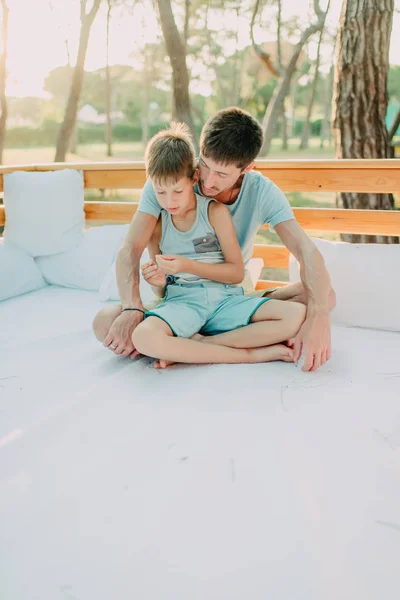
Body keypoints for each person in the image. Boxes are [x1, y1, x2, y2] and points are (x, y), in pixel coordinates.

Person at [93, 107, 335, 372]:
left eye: (221, 174)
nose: (206, 181)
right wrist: (131, 309)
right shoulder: (173, 183)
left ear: (247, 168)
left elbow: (305, 250)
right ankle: (194, 343)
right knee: (105, 322)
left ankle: (195, 346)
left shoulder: (261, 192)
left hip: (228, 292)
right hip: (180, 297)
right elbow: (131, 248)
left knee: (323, 295)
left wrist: (319, 318)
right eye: (205, 165)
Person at [127, 123, 305, 366]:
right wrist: (158, 282)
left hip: (224, 298)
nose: (169, 201)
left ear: (193, 177)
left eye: (177, 191)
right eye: (160, 193)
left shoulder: (215, 211)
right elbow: (164, 288)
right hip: (183, 302)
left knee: (295, 314)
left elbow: (235, 273)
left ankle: (197, 346)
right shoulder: (157, 222)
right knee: (143, 336)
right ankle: (250, 354)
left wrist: (187, 265)